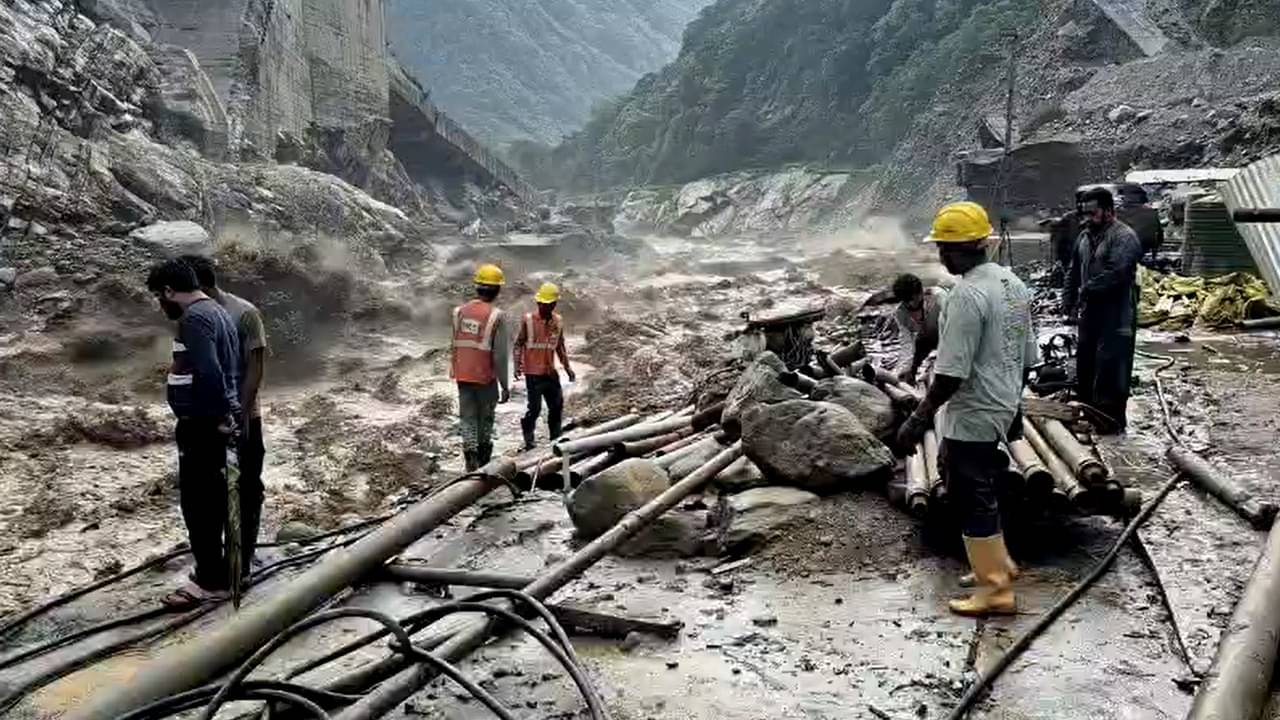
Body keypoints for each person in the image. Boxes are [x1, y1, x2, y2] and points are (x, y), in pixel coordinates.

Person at [897, 201, 1037, 617]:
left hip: (974, 411)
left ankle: (996, 590)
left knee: (970, 494)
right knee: (981, 486)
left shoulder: (965, 295)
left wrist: (917, 418)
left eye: (943, 247)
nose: (940, 255)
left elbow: (950, 374)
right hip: (1001, 402)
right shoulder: (1012, 284)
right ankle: (997, 565)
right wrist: (1012, 405)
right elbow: (1027, 357)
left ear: (961, 250)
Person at [146, 258, 242, 605]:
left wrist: (217, 416)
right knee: (215, 499)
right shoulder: (217, 311)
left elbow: (209, 370)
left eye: (159, 296)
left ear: (170, 291)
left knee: (199, 504)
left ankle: (211, 583)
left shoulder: (194, 318)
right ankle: (220, 571)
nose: (161, 304)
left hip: (203, 423)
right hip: (213, 420)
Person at [181, 255, 268, 578]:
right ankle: (212, 568)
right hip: (205, 423)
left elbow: (255, 368)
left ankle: (240, 566)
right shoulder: (191, 315)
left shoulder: (244, 313)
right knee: (205, 497)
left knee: (245, 492)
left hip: (241, 419)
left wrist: (239, 416)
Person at [1063, 186, 1143, 433]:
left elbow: (1117, 272)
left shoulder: (1124, 237)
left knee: (1112, 368)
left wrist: (1086, 290)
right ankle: (1088, 415)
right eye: (1084, 213)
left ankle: (1111, 424)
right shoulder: (1084, 237)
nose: (1086, 219)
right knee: (1086, 364)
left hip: (1117, 314)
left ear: (1108, 211)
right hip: (1091, 313)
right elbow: (1073, 270)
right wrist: (1068, 301)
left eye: (1092, 213)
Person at [451, 263, 511, 471]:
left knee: (467, 417)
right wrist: (505, 385)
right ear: (497, 290)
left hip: (462, 374)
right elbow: (500, 355)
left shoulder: (458, 312)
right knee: (485, 418)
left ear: (477, 287)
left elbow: (456, 344)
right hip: (485, 376)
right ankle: (484, 460)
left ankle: (470, 457)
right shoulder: (496, 316)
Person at [514, 282, 577, 451]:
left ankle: (555, 440)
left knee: (556, 406)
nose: (545, 307)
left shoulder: (558, 321)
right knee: (534, 409)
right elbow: (518, 343)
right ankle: (529, 441)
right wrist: (517, 364)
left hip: (550, 372)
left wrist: (567, 367)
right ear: (538, 302)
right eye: (542, 303)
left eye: (549, 304)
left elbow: (560, 347)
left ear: (554, 304)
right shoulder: (528, 320)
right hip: (533, 374)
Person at [891, 273, 947, 384]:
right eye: (906, 301)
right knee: (911, 366)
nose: (911, 304)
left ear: (921, 292)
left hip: (947, 333)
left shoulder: (940, 298)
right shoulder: (900, 313)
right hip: (926, 337)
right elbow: (906, 342)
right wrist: (904, 367)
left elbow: (954, 327)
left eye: (913, 299)